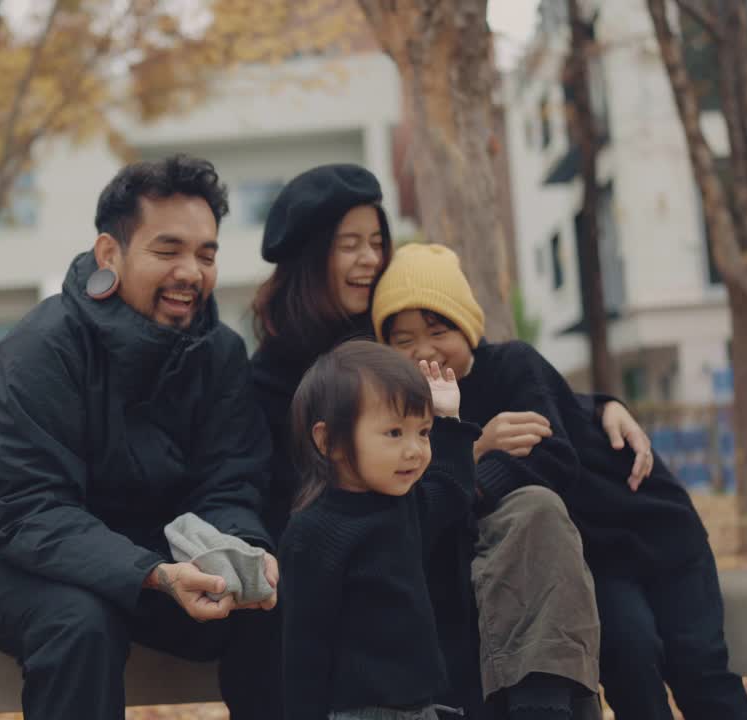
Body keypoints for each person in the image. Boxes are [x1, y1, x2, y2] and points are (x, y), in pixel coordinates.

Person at [250, 163, 613, 719]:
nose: (370, 258)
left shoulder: (396, 331)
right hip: (359, 599)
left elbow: (503, 384)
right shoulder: (278, 378)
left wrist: (605, 407)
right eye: (350, 244)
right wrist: (468, 451)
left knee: (537, 514)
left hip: (436, 552)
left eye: (377, 241)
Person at [0, 154, 280, 720]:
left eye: (206, 254)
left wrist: (240, 548)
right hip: (3, 544)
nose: (191, 272)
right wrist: (152, 574)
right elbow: (26, 511)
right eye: (167, 250)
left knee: (269, 607)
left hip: (150, 549)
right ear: (109, 255)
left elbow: (231, 479)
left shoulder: (219, 353)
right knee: (80, 622)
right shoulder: (32, 355)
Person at [371, 243, 747, 720]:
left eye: (438, 329)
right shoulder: (404, 410)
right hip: (594, 556)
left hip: (653, 527)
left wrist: (469, 477)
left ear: (469, 329)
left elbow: (551, 455)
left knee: (699, 664)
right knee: (627, 654)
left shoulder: (513, 365)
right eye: (403, 339)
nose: (423, 349)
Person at [280, 340, 482, 720]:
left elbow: (453, 491)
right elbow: (304, 648)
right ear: (329, 442)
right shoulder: (314, 531)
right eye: (394, 433)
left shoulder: (404, 505)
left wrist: (448, 419)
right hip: (358, 710)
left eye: (422, 432)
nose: (415, 450)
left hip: (421, 705)